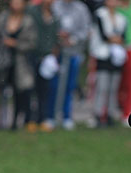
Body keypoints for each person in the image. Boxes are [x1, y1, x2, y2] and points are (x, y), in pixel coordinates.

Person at [0, 0, 38, 131]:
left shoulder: (28, 21)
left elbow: (32, 43)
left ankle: (15, 122)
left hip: (19, 62)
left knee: (18, 91)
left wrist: (15, 44)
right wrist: (1, 45)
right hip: (1, 61)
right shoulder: (1, 19)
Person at [48, 0, 92, 130]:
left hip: (73, 52)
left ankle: (66, 116)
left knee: (69, 85)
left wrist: (73, 39)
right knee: (54, 85)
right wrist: (58, 36)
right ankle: (51, 115)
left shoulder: (81, 9)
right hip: (57, 52)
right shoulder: (55, 6)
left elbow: (86, 30)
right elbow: (50, 25)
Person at [88, 0, 127, 127]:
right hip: (103, 55)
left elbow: (123, 36)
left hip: (116, 56)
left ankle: (110, 114)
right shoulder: (100, 15)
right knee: (102, 86)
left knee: (113, 87)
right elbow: (103, 35)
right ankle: (98, 114)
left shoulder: (121, 18)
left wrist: (115, 39)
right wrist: (114, 39)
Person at [28, 0, 60, 132]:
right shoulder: (33, 12)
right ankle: (30, 119)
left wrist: (54, 54)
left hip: (47, 57)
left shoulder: (55, 15)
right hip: (33, 55)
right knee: (32, 89)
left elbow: (55, 37)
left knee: (45, 90)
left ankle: (43, 118)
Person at [116, 0, 131, 121]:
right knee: (116, 80)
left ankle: (128, 111)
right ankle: (113, 108)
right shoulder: (114, 5)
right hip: (117, 46)